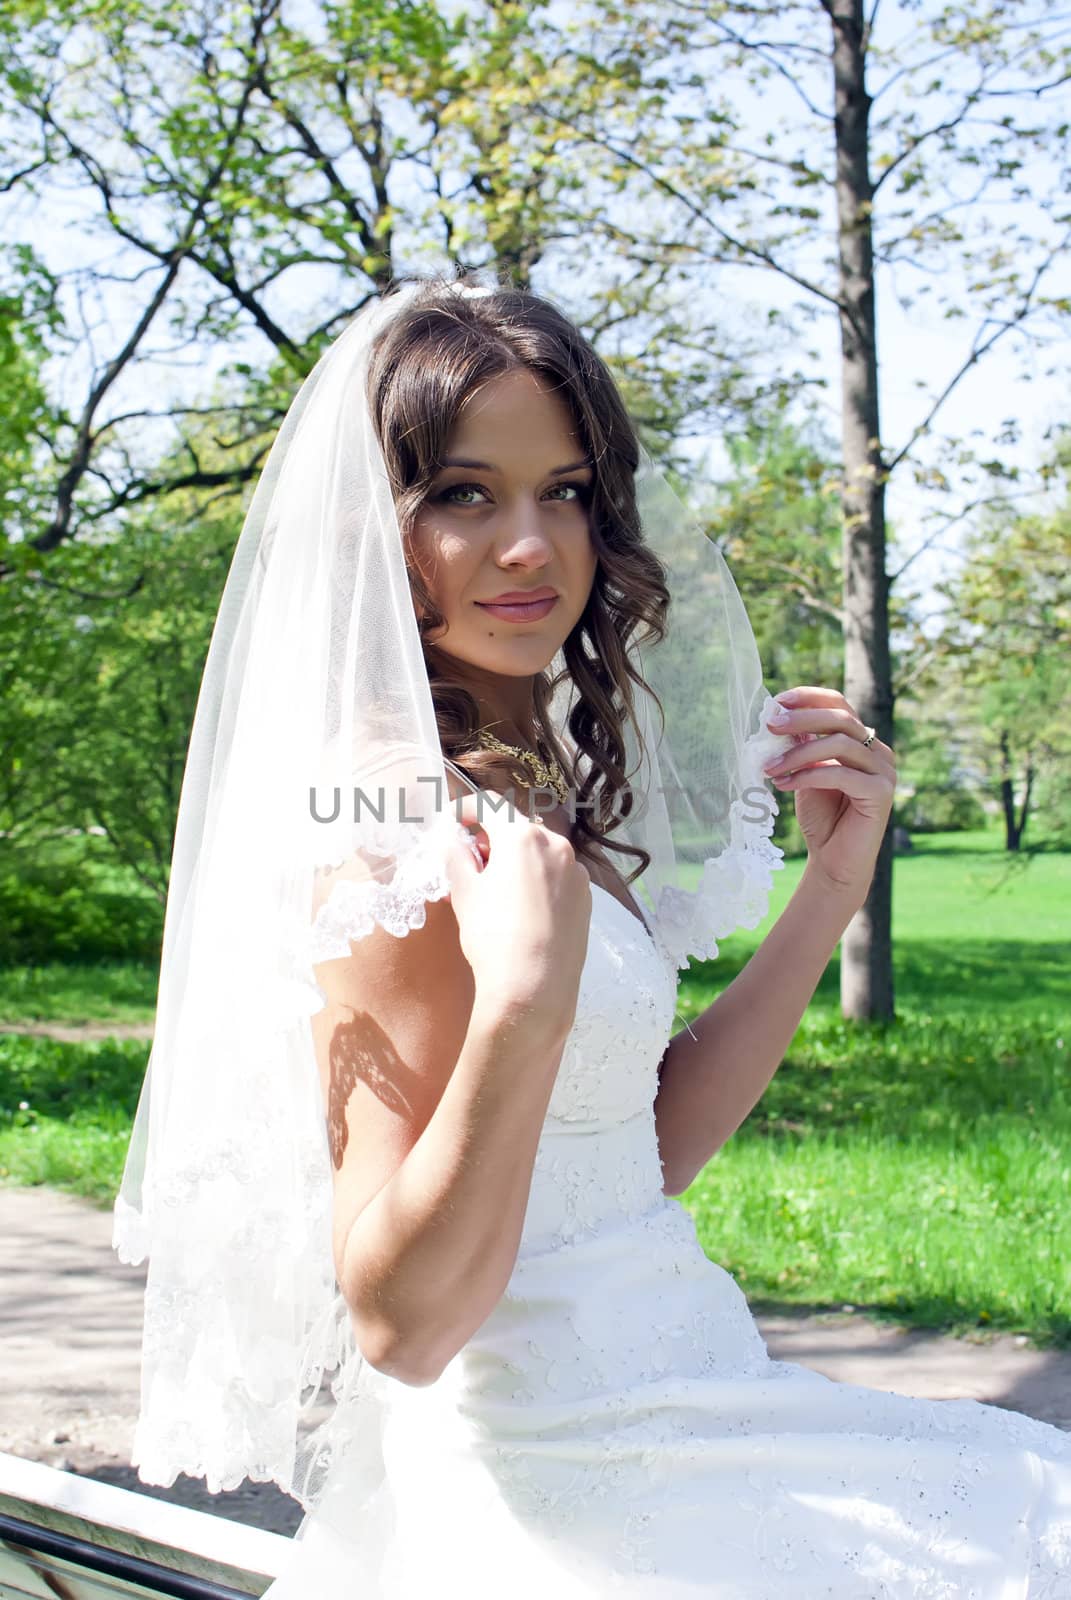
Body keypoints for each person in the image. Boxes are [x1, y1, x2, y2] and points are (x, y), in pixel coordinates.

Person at [114, 274, 1070, 1597]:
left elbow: (631, 1155)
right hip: (557, 1475)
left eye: (564, 491)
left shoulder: (523, 763)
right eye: (464, 494)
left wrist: (831, 884)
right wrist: (520, 1007)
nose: (532, 546)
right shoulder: (383, 822)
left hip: (690, 1393)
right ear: (373, 529)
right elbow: (401, 1325)